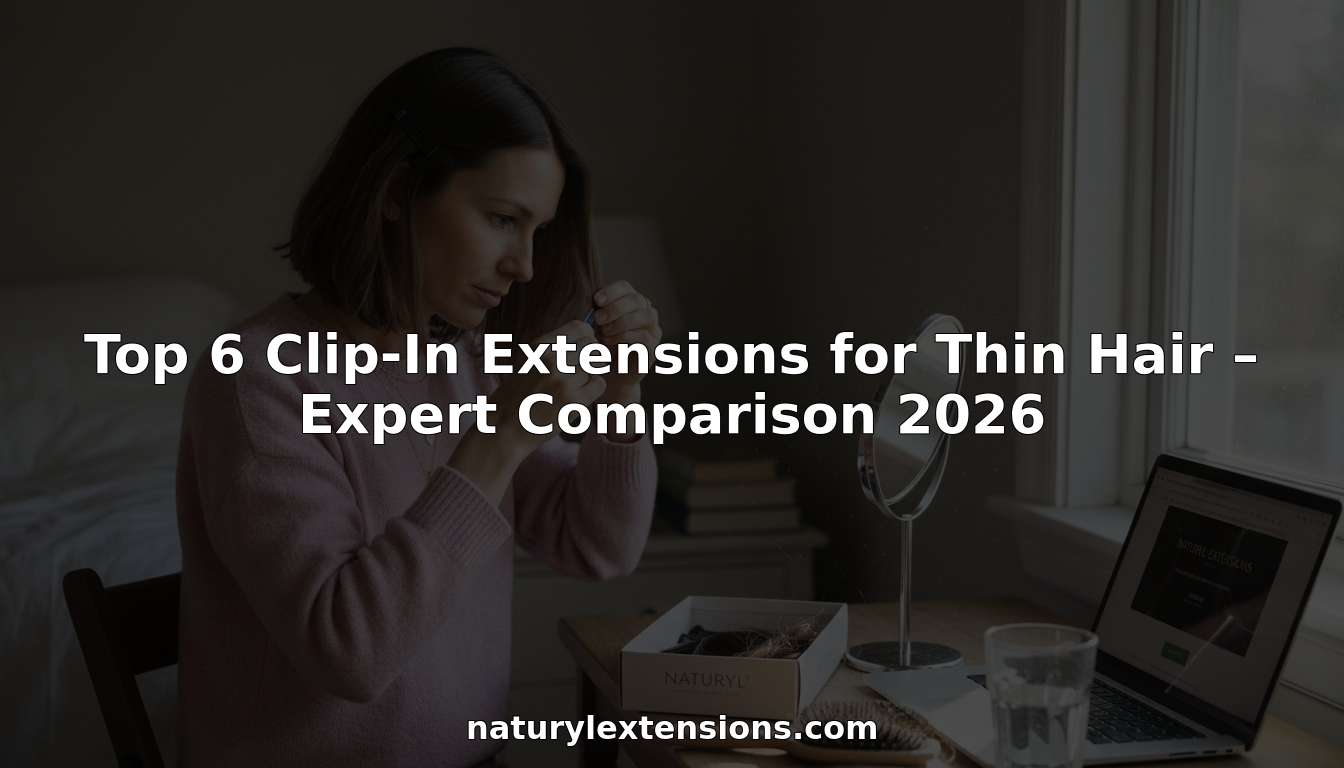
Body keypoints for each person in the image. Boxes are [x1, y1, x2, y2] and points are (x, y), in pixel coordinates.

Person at [175, 47, 659, 768]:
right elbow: (349, 653)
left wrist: (623, 397)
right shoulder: (256, 380)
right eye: (502, 219)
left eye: (539, 232)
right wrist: (494, 444)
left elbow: (600, 547)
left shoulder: (461, 359)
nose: (524, 265)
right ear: (398, 190)